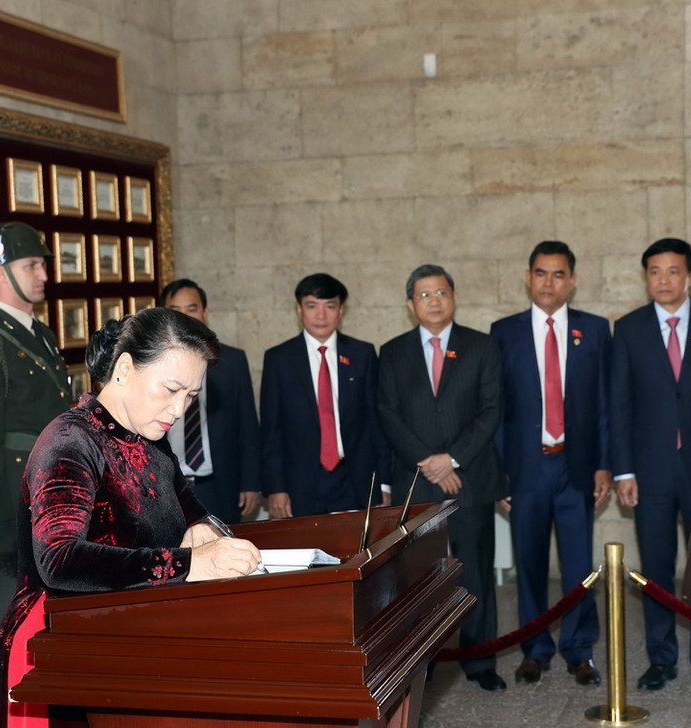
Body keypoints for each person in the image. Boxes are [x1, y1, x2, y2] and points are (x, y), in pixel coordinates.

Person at [0, 307, 262, 728]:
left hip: (122, 637)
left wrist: (201, 527)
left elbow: (186, 502)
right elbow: (59, 560)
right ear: (126, 368)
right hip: (57, 645)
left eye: (190, 396)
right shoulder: (70, 442)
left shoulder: (146, 432)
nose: (178, 409)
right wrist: (189, 564)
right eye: (170, 389)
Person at [0, 221, 72, 696]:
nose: (43, 274)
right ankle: (3, 690)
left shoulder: (39, 333)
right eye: (31, 265)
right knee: (10, 597)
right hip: (13, 493)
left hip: (49, 485)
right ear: (0, 273)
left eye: (42, 264)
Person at [611, 238, 691, 695]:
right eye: (655, 271)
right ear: (646, 277)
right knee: (656, 569)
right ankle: (661, 659)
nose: (663, 280)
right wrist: (623, 471)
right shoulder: (628, 329)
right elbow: (618, 405)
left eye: (673, 271)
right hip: (650, 474)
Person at [378, 264, 507, 691]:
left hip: (468, 478)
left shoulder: (483, 346)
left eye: (441, 293)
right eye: (424, 295)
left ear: (454, 296)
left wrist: (452, 460)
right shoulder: (393, 352)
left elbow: (491, 410)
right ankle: (423, 664)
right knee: (417, 578)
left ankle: (478, 659)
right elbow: (388, 414)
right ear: (411, 304)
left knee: (475, 571)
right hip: (416, 482)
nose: (434, 302)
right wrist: (429, 462)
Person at [490, 241, 610, 687]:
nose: (549, 283)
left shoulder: (595, 330)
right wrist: (501, 472)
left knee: (580, 564)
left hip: (576, 468)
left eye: (559, 275)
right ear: (528, 277)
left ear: (572, 281)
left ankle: (580, 651)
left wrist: (604, 465)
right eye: (541, 273)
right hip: (526, 470)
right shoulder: (503, 332)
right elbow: (497, 409)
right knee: (531, 563)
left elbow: (604, 406)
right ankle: (535, 649)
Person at [260, 273, 392, 519]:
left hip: (355, 479)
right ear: (300, 310)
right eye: (312, 306)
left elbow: (376, 423)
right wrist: (276, 488)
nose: (321, 316)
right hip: (300, 483)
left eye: (329, 306)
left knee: (357, 554)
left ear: (341, 310)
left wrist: (383, 482)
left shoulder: (362, 354)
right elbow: (271, 431)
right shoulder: (279, 359)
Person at [160, 279, 261, 523]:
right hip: (169, 486)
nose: (185, 317)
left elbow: (247, 425)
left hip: (220, 486)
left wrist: (251, 483)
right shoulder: (155, 364)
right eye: (175, 311)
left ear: (205, 313)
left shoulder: (232, 361)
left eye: (191, 309)